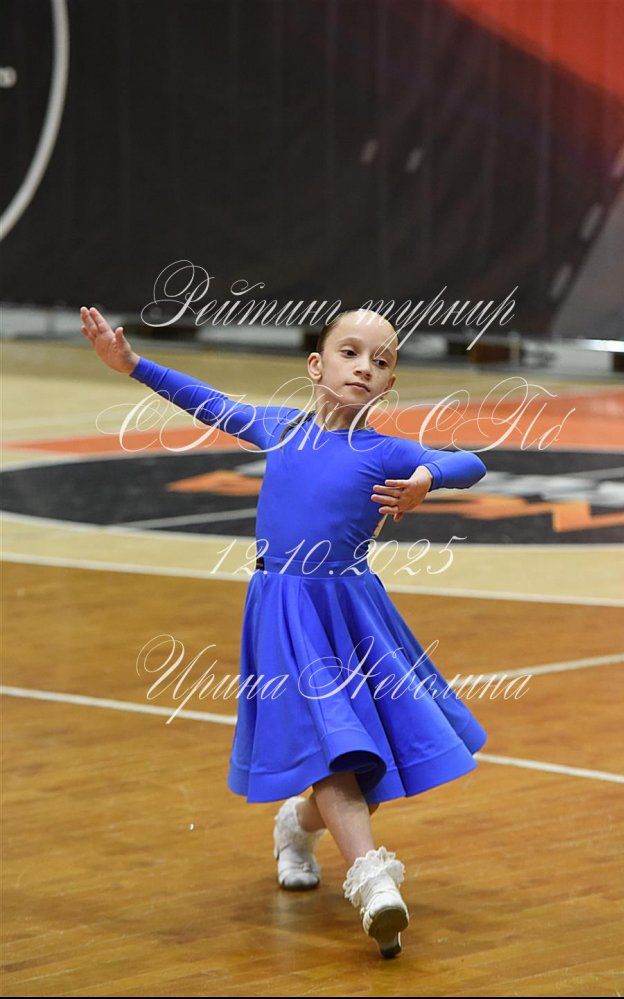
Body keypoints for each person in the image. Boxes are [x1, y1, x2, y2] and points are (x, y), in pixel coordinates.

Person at [79, 304, 488, 959]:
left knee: (365, 764)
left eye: (381, 361)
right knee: (337, 751)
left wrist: (426, 477)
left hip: (351, 614)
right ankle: (373, 882)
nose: (364, 367)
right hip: (283, 614)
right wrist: (132, 365)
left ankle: (297, 828)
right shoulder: (280, 428)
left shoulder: (385, 451)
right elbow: (206, 402)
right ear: (316, 366)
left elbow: (470, 463)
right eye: (350, 352)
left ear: (389, 385)